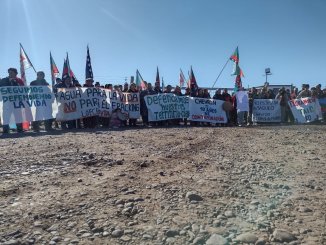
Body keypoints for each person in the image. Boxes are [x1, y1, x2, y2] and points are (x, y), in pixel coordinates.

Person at [0, 68, 24, 133]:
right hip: (7, 102)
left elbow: (23, 90)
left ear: (16, 73)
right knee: (6, 115)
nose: (10, 74)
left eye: (12, 72)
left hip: (17, 101)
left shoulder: (19, 80)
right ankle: (5, 130)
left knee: (18, 115)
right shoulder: (3, 80)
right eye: (9, 72)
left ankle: (20, 129)